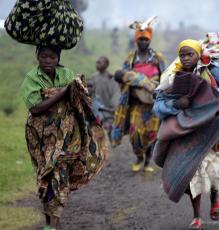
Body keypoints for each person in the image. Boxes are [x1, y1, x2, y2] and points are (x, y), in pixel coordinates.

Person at [153, 35, 219, 229]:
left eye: (190, 54)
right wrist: (175, 104)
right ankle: (197, 216)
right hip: (185, 133)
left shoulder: (210, 72)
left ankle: (215, 197)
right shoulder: (171, 78)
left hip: (212, 131)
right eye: (182, 55)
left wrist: (209, 64)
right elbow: (158, 106)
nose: (185, 58)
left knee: (214, 171)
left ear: (199, 54)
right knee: (190, 174)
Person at [20, 46, 108, 230]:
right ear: (37, 56)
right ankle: (48, 222)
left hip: (67, 136)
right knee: (45, 176)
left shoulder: (66, 74)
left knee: (60, 175)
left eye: (52, 57)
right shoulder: (31, 78)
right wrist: (61, 92)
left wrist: (76, 87)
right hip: (40, 138)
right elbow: (35, 108)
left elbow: (79, 98)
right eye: (43, 56)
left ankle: (55, 223)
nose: (47, 60)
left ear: (58, 58)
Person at [112, 21, 165, 173]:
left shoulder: (158, 58)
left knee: (151, 134)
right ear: (136, 40)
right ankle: (139, 157)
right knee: (135, 133)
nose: (143, 42)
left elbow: (166, 77)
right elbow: (122, 77)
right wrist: (135, 80)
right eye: (140, 39)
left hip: (153, 104)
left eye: (146, 39)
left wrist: (153, 85)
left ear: (150, 40)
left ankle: (148, 161)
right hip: (136, 103)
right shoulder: (131, 58)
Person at [89, 56, 119, 137]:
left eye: (99, 62)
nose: (97, 64)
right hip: (96, 109)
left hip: (108, 110)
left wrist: (113, 107)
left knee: (108, 130)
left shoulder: (111, 79)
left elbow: (115, 93)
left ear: (106, 65)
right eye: (96, 62)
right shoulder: (93, 77)